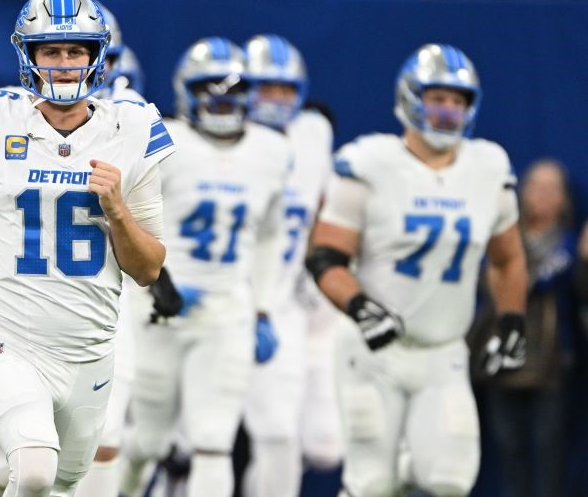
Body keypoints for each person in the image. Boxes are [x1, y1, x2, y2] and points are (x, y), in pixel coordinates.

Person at [0, 0, 171, 496]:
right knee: (34, 469)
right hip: (9, 335)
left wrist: (117, 210)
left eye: (74, 50)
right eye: (50, 51)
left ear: (96, 56)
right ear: (28, 55)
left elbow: (148, 269)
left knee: (64, 480)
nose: (62, 63)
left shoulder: (133, 127)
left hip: (89, 347)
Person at [306, 43, 527, 496]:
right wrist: (360, 305)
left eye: (458, 101)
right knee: (372, 484)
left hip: (444, 349)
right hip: (373, 350)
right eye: (438, 98)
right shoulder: (370, 162)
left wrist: (512, 318)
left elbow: (508, 258)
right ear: (411, 98)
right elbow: (326, 255)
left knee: (448, 481)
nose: (448, 112)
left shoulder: (489, 167)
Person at [119, 37, 291, 497]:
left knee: (214, 440)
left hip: (225, 309)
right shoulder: (163, 141)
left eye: (232, 88)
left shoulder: (272, 150)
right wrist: (151, 282)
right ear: (185, 92)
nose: (222, 98)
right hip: (159, 308)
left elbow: (271, 234)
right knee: (149, 439)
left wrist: (262, 306)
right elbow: (125, 221)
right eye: (209, 88)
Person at [240, 33, 342, 497]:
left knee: (282, 434)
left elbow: (323, 208)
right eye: (266, 88)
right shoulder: (210, 140)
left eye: (285, 90)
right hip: (216, 302)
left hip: (279, 304)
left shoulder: (313, 135)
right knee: (181, 442)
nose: (276, 100)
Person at [476, 159, 575, 497]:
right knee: (509, 450)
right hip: (503, 358)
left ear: (564, 199)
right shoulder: (501, 239)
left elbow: (545, 281)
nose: (543, 196)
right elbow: (492, 283)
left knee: (550, 453)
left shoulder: (572, 244)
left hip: (551, 364)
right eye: (536, 186)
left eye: (552, 189)